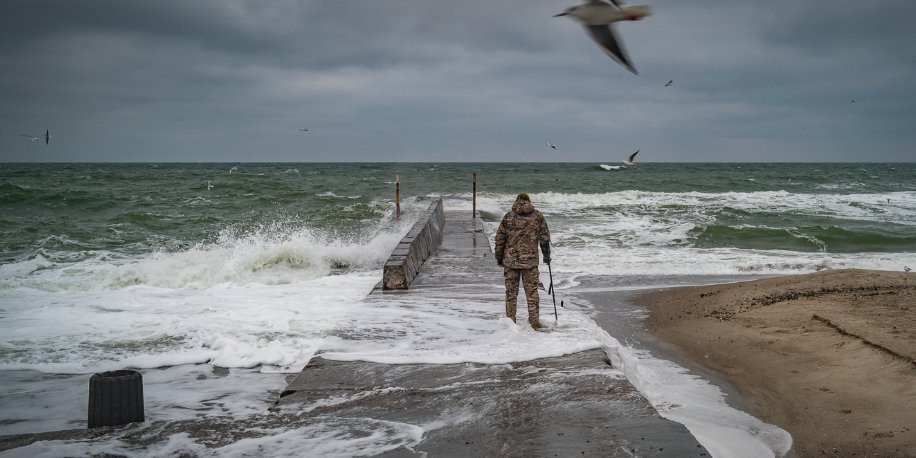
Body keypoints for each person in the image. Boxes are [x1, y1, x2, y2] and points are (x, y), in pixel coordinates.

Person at [494, 193, 551, 329]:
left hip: (511, 262)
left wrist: (499, 258)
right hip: (530, 263)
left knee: (511, 294)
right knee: (532, 294)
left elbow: (499, 239)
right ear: (529, 202)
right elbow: (544, 239)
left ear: (516, 202)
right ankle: (534, 322)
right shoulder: (538, 216)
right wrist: (546, 257)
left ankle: (511, 324)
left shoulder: (508, 217)